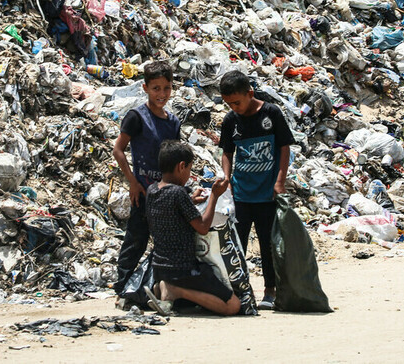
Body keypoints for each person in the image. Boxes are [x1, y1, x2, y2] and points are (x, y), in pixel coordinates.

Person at [218, 70, 293, 311]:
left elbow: (284, 147)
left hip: (267, 194)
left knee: (267, 244)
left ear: (250, 93)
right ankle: (240, 290)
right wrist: (227, 179)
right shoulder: (230, 120)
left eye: (237, 102)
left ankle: (270, 290)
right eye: (229, 104)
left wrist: (280, 181)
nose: (234, 108)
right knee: (237, 244)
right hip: (241, 194)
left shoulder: (271, 113)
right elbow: (227, 152)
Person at [144, 140, 240, 316]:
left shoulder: (152, 190)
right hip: (183, 270)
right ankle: (175, 291)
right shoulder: (178, 193)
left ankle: (164, 288)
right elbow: (203, 227)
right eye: (189, 169)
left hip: (159, 267)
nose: (189, 174)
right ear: (181, 166)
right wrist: (214, 196)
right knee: (233, 306)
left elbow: (172, 211)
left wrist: (191, 201)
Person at [111, 61, 180, 301]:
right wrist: (133, 182)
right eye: (156, 88)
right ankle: (122, 287)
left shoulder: (173, 122)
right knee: (136, 240)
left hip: (166, 193)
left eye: (166, 88)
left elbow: (175, 158)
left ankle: (160, 286)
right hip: (142, 191)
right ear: (145, 88)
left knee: (166, 242)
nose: (162, 94)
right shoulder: (136, 117)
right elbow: (118, 150)